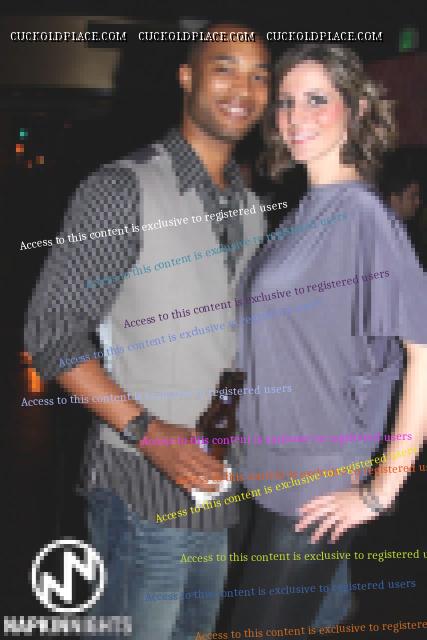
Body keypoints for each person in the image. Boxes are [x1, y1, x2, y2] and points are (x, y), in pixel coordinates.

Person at [24, 24, 270, 639]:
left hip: (215, 491)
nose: (244, 89)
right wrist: (147, 431)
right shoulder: (121, 189)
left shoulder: (250, 207)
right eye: (225, 68)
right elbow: (52, 332)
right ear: (186, 77)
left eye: (259, 75)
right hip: (140, 490)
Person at [229, 43, 427, 633]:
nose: (296, 116)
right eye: (286, 102)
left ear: (357, 109)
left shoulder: (363, 216)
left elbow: (423, 350)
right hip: (265, 469)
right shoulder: (303, 213)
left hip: (313, 485)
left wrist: (381, 490)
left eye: (317, 99)